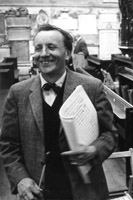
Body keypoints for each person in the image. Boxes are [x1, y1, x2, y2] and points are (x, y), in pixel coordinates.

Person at [0, 24, 117, 200]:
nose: (44, 53)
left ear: (68, 53)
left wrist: (94, 149)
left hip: (84, 189)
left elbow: (109, 134)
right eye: (39, 48)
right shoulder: (18, 92)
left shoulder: (92, 87)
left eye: (52, 47)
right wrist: (20, 178)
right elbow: (8, 145)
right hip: (37, 190)